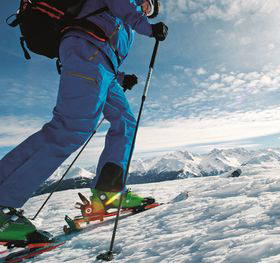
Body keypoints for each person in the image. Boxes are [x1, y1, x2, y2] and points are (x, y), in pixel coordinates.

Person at [0, 0, 168, 243]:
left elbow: (102, 36)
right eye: (146, 6)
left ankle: (109, 194)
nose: (145, 11)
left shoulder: (123, 24)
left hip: (101, 62)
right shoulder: (128, 6)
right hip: (88, 49)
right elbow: (100, 24)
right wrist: (149, 27)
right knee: (70, 128)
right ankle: (3, 205)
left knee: (125, 121)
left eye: (148, 11)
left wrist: (120, 77)